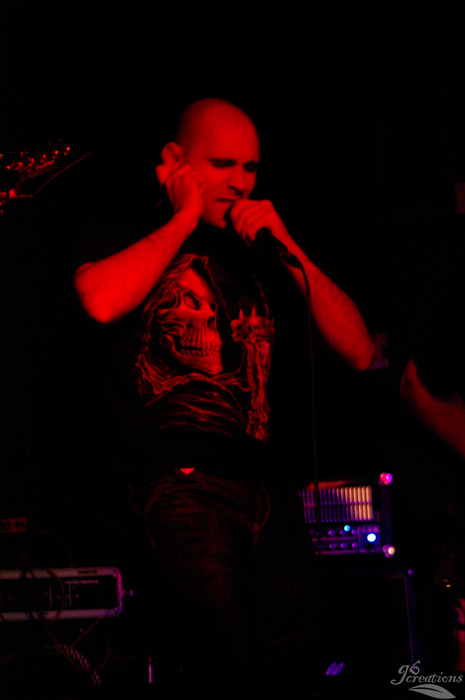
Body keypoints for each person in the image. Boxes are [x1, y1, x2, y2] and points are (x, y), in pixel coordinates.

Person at [73, 98, 375, 692]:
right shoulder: (128, 230)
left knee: (294, 665)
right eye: (223, 164)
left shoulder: (260, 254)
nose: (240, 182)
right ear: (174, 159)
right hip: (179, 481)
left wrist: (287, 242)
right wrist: (183, 217)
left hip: (267, 487)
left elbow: (360, 351)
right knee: (227, 663)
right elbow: (100, 300)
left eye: (251, 167)